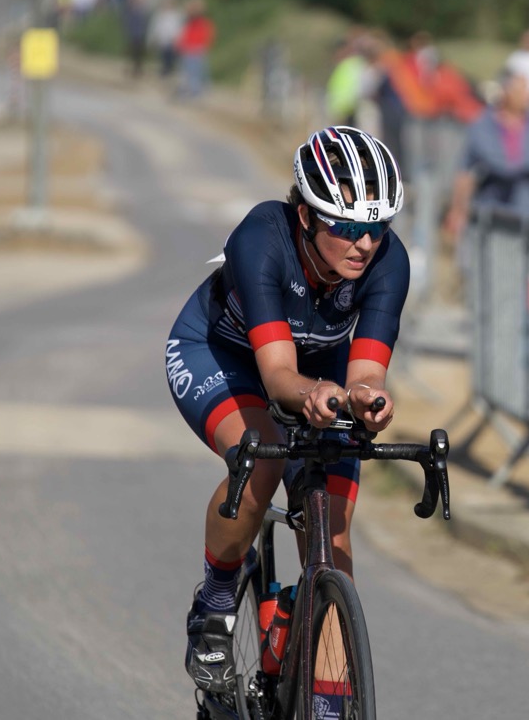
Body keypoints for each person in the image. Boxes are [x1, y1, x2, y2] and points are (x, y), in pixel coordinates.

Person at [166, 126, 408, 707]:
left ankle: (327, 701)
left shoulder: (388, 261)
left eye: (377, 228)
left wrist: (368, 400)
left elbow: (366, 373)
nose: (364, 243)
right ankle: (215, 605)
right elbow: (278, 377)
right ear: (305, 216)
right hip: (225, 357)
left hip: (319, 371)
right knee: (263, 459)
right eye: (345, 228)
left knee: (334, 538)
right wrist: (317, 393)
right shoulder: (262, 237)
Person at [443, 69, 529, 241]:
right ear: (506, 92)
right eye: (522, 90)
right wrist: (458, 210)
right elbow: (465, 172)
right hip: (492, 214)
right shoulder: (481, 125)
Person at [176, 0, 215, 99]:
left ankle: (196, 92)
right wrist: (180, 45)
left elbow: (207, 35)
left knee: (196, 71)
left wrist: (204, 46)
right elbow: (183, 34)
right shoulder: (187, 21)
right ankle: (189, 90)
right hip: (188, 49)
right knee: (187, 71)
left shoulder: (202, 22)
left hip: (197, 48)